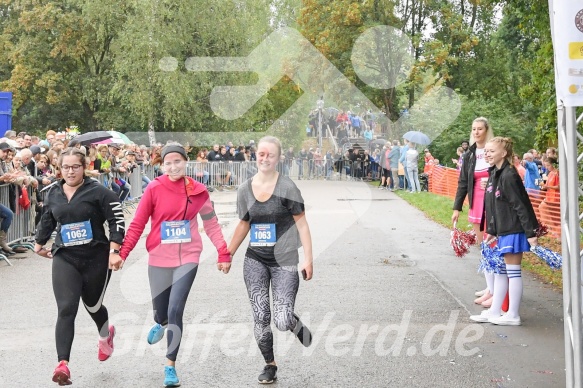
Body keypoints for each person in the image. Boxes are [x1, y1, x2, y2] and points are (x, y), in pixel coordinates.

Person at [119, 144, 230, 387]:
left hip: (188, 256)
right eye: (168, 163)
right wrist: (123, 254)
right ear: (161, 166)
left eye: (177, 161)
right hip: (159, 257)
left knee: (175, 310)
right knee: (162, 312)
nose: (173, 166)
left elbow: (211, 224)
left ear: (185, 161)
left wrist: (223, 252)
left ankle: (170, 365)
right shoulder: (154, 189)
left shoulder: (198, 191)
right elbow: (137, 224)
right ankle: (160, 322)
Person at [34, 147, 126, 386]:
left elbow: (117, 219)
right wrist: (39, 242)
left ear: (84, 167)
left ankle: (106, 334)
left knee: (94, 307)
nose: (70, 171)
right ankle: (62, 364)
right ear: (59, 168)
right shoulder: (53, 192)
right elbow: (48, 217)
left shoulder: (99, 192)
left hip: (96, 257)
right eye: (66, 167)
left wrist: (115, 251)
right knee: (66, 309)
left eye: (75, 166)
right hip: (66, 257)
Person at [227, 136, 314, 385]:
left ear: (278, 158)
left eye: (270, 155)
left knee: (282, 320)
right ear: (256, 155)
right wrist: (228, 254)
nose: (265, 159)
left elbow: (303, 224)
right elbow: (244, 224)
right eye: (261, 154)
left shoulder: (287, 188)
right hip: (255, 259)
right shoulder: (245, 189)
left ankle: (293, 323)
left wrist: (308, 259)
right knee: (260, 316)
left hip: (285, 259)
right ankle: (270, 364)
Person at [470, 137, 538, 326]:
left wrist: (531, 232)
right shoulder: (495, 173)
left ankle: (513, 314)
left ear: (504, 153)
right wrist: (491, 229)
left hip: (514, 230)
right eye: (487, 151)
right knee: (500, 272)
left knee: (512, 272)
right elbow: (493, 205)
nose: (487, 154)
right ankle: (495, 310)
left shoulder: (509, 175)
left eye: (492, 151)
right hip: (502, 230)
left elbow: (521, 205)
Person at [452, 117, 494, 305]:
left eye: (480, 129)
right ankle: (490, 286)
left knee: (492, 243)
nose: (476, 132)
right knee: (482, 244)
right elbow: (462, 181)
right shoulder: (469, 154)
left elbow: (506, 172)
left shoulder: (493, 149)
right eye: (473, 129)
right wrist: (457, 207)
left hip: (493, 201)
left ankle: (496, 290)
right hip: (476, 201)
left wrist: (491, 181)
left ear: (486, 130)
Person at [538, 156, 560, 237]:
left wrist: (547, 187)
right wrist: (543, 186)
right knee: (544, 209)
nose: (547, 167)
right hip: (549, 197)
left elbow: (559, 187)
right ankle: (551, 230)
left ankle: (555, 231)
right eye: (546, 166)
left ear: (553, 164)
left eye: (548, 165)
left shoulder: (557, 173)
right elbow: (547, 185)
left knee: (554, 216)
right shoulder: (550, 173)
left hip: (555, 198)